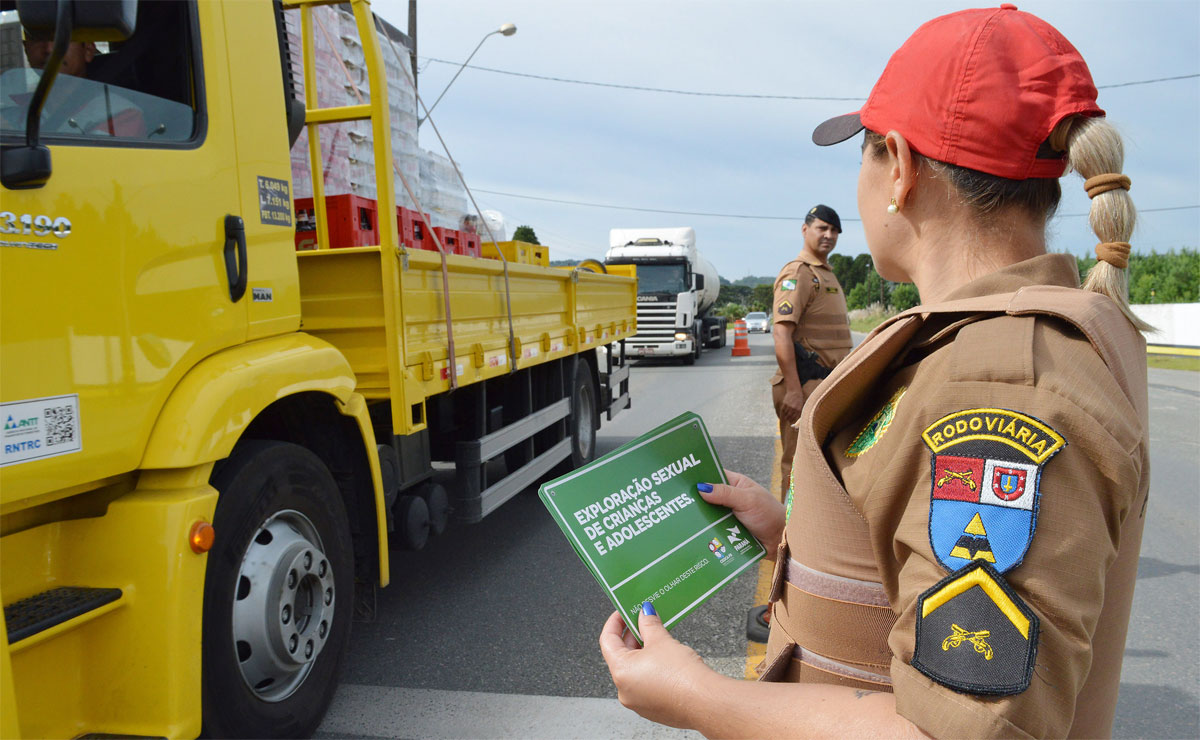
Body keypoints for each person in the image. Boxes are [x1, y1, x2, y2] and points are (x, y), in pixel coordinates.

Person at [599, 5, 1150, 738]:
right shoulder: (986, 346)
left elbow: (954, 731)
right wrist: (793, 538)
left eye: (862, 153)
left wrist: (699, 696)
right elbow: (923, 573)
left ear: (901, 167)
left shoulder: (1000, 382)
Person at [769, 204, 852, 500]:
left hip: (825, 386)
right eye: (822, 228)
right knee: (797, 467)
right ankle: (789, 539)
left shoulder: (825, 273)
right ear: (805, 230)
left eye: (834, 230)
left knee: (825, 466)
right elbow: (781, 332)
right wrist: (793, 390)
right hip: (804, 386)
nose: (828, 235)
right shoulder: (799, 273)